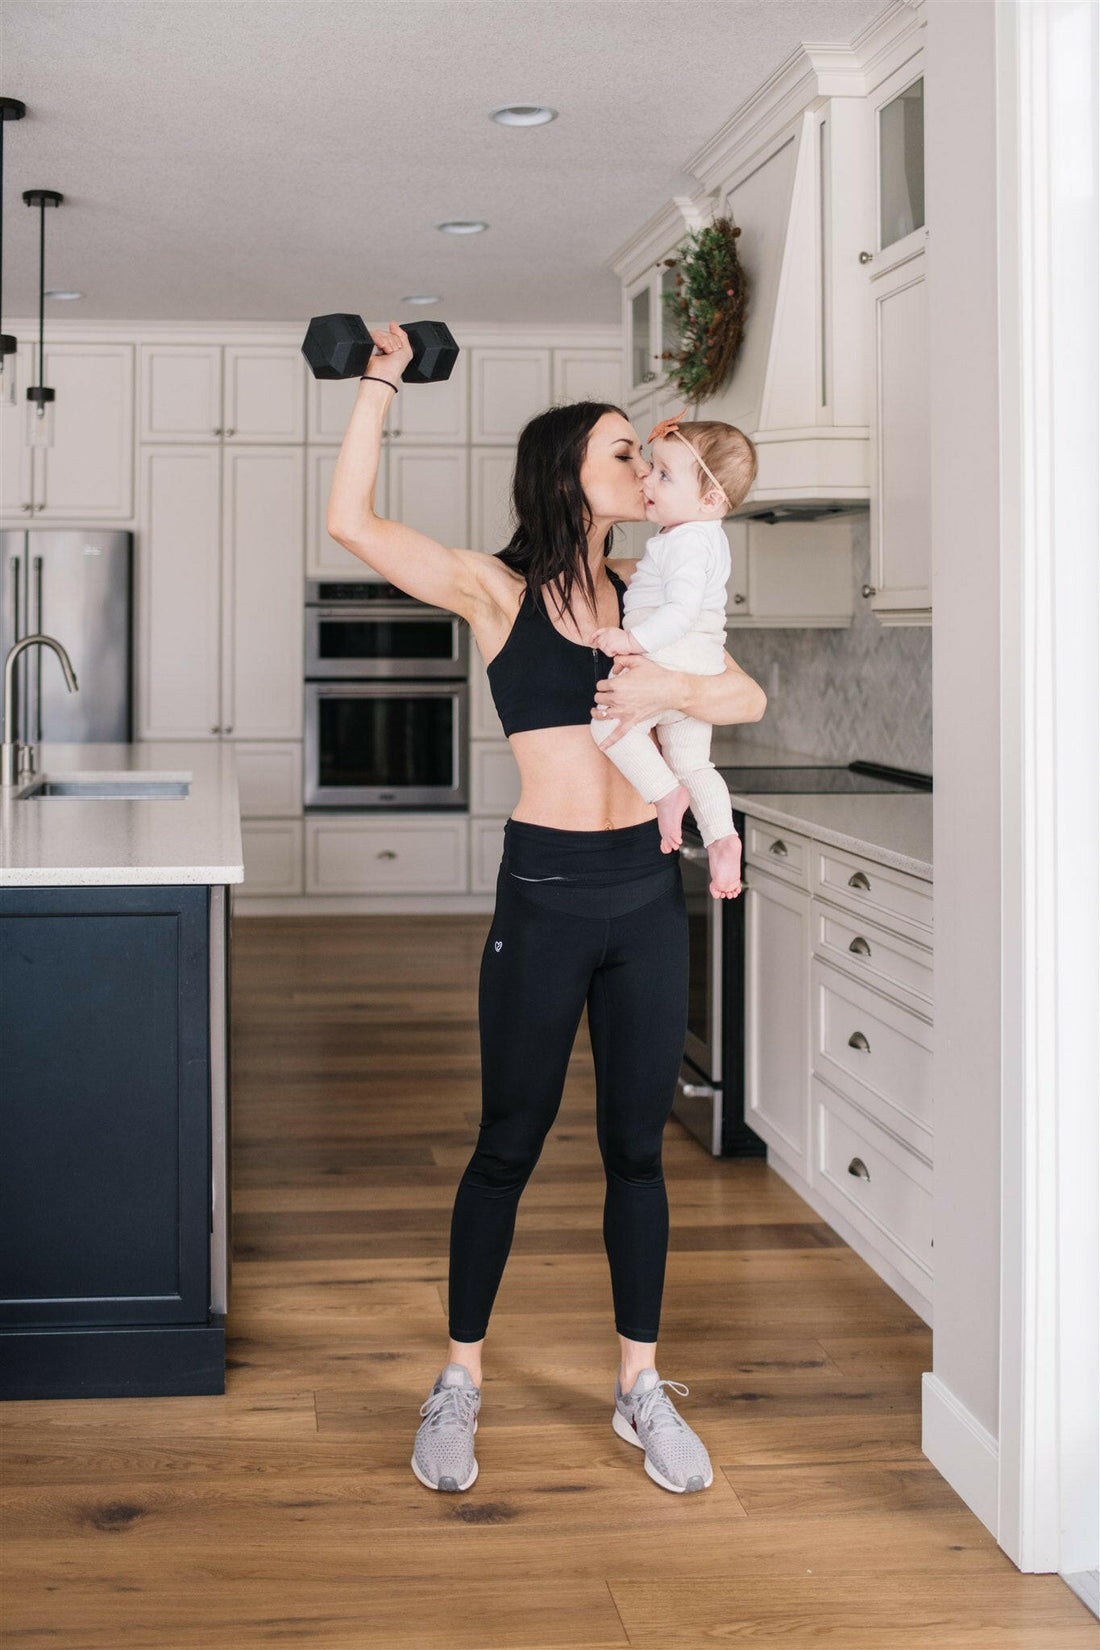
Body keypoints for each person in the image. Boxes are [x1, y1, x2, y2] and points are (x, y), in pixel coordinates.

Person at [326, 323, 767, 1498]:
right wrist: (380, 381)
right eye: (624, 448)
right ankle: (459, 1378)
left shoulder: (656, 585)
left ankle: (637, 1390)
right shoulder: (495, 588)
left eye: (647, 452)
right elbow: (352, 527)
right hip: (546, 893)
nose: (645, 459)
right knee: (504, 1149)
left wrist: (672, 682)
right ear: (567, 469)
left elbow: (744, 692)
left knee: (637, 1152)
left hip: (642, 893)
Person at [589, 409, 757, 901]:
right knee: (693, 762)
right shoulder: (701, 538)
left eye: (664, 474)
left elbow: (681, 610)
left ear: (709, 500)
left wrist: (632, 642)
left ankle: (665, 796)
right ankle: (722, 837)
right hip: (698, 662)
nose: (649, 479)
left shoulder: (685, 542)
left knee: (608, 727)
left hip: (671, 656)